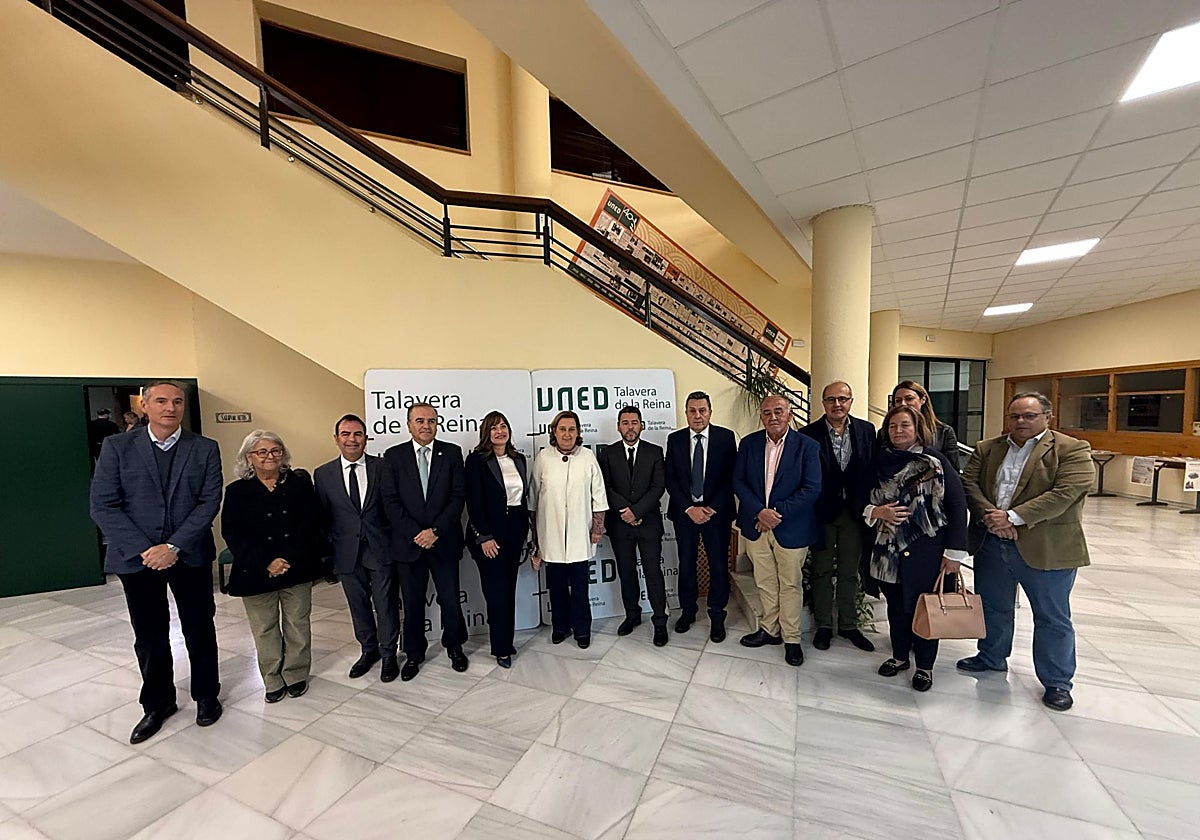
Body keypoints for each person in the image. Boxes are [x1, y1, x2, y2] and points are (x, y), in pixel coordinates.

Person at [89, 380, 223, 743]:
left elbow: (209, 502)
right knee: (149, 634)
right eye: (161, 400)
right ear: (145, 406)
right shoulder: (117, 447)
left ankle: (207, 695)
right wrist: (147, 550)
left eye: (177, 401)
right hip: (138, 559)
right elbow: (103, 505)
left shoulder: (205, 448)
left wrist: (174, 546)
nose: (171, 407)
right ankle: (158, 703)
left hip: (189, 554)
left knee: (199, 628)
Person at [957, 392, 1094, 711]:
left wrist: (1012, 517)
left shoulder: (1072, 450)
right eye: (1014, 416)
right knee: (993, 607)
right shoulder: (988, 448)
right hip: (992, 542)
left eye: (1028, 416)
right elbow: (970, 485)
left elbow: (1066, 493)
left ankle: (1057, 681)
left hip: (1045, 548)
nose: (1020, 422)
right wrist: (992, 517)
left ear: (1048, 416)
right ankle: (991, 657)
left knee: (1052, 617)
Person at [866, 404, 967, 692]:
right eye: (893, 426)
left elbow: (958, 505)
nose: (898, 431)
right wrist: (876, 512)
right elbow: (860, 498)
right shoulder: (878, 461)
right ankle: (899, 657)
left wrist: (954, 554)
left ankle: (924, 667)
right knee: (896, 609)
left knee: (925, 609)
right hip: (887, 551)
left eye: (905, 425)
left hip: (927, 551)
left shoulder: (935, 461)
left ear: (917, 428)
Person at [221, 430, 324, 703]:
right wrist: (266, 561)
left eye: (275, 451)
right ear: (248, 458)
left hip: (296, 566)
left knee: (297, 624)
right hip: (255, 571)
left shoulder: (299, 485)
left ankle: (296, 674)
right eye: (262, 452)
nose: (270, 457)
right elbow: (232, 534)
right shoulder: (236, 491)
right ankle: (272, 678)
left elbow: (310, 525)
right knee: (265, 628)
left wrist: (286, 559)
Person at [381, 402, 469, 681]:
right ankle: (414, 654)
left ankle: (454, 646)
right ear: (408, 424)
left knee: (450, 600)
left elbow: (458, 497)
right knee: (413, 603)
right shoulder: (393, 457)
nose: (426, 425)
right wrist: (416, 534)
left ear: (437, 423)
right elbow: (390, 501)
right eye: (419, 420)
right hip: (409, 545)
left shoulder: (452, 453)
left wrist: (435, 531)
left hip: (443, 541)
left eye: (431, 421)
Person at [734, 395, 822, 666]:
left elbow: (811, 488)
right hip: (755, 525)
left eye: (778, 411)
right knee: (764, 582)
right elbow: (738, 481)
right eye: (767, 412)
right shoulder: (749, 444)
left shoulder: (807, 446)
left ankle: (792, 639)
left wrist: (775, 514)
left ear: (790, 414)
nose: (773, 417)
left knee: (790, 584)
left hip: (791, 528)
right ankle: (770, 630)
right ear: (761, 416)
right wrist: (760, 511)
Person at [314, 414, 399, 682]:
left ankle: (388, 655)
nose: (352, 439)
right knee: (358, 605)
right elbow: (323, 517)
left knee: (385, 605)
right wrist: (328, 554)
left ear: (366, 437)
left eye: (358, 434)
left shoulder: (383, 467)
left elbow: (394, 509)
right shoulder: (323, 474)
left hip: (380, 549)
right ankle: (368, 650)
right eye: (346, 434)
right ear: (336, 438)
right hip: (345, 553)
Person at [799, 381, 877, 653]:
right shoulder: (807, 434)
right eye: (831, 399)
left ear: (851, 401)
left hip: (855, 513)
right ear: (823, 403)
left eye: (843, 399)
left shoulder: (867, 431)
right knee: (820, 570)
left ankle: (848, 625)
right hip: (822, 513)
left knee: (849, 571)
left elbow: (871, 471)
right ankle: (823, 626)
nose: (837, 404)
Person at [529, 410, 608, 648]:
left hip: (579, 535)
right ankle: (560, 627)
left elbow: (599, 496)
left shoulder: (587, 457)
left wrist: (597, 528)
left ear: (578, 432)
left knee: (581, 588)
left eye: (572, 429)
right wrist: (535, 538)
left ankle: (582, 630)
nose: (567, 434)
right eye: (562, 429)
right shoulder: (543, 457)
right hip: (550, 534)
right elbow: (533, 499)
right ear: (554, 431)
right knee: (557, 588)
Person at [665, 391, 737, 643]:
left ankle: (717, 617)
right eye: (692, 411)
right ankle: (688, 612)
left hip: (716, 515)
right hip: (685, 515)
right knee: (686, 565)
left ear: (710, 411)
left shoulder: (726, 438)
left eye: (702, 410)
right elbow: (670, 478)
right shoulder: (674, 440)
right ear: (685, 413)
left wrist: (711, 508)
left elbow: (732, 477)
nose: (697, 415)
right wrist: (689, 508)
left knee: (718, 566)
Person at [598, 405, 669, 646]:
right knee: (626, 572)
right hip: (620, 524)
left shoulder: (655, 452)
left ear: (642, 425)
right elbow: (605, 487)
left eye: (634, 422)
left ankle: (660, 621)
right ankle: (632, 615)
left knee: (652, 572)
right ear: (618, 427)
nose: (630, 427)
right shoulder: (608, 453)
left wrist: (636, 511)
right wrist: (625, 512)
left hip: (648, 522)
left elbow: (658, 487)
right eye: (625, 422)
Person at [464, 411, 529, 668]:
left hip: (514, 532)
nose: (499, 431)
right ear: (486, 433)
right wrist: (485, 537)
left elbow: (522, 500)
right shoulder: (476, 461)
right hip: (488, 535)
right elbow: (474, 502)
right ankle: (501, 647)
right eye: (494, 428)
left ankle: (505, 640)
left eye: (503, 426)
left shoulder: (519, 459)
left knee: (508, 590)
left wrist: (527, 533)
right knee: (496, 593)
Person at [891, 380, 960, 470]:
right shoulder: (887, 432)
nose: (903, 404)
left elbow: (953, 470)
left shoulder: (944, 432)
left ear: (923, 399)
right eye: (898, 401)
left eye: (909, 399)